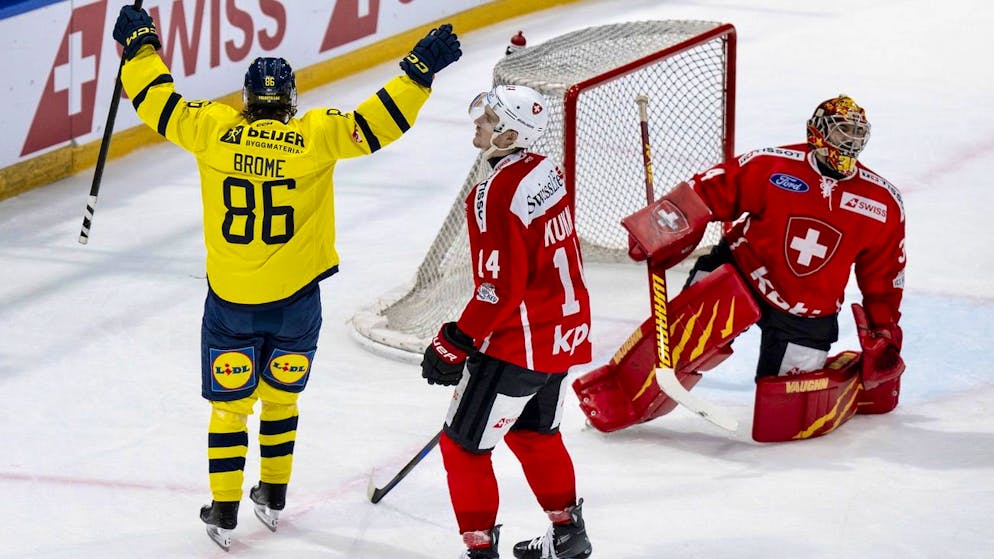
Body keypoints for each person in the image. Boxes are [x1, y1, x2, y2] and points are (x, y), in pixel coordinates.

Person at [111, 5, 461, 550]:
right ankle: (272, 494)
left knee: (230, 408)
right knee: (281, 401)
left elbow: (155, 100)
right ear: (290, 100)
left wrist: (139, 47)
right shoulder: (315, 137)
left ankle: (224, 506)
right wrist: (417, 73)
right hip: (297, 304)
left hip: (231, 302)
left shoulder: (211, 131)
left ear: (247, 100)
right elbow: (377, 123)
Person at [420, 85, 594, 559]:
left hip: (519, 343)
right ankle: (567, 533)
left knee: (462, 450)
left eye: (490, 119)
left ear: (512, 133)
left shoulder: (493, 194)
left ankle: (479, 551)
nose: (478, 123)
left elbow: (498, 289)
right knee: (534, 434)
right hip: (562, 331)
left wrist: (454, 341)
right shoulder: (546, 171)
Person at [677, 94, 906, 427]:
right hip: (739, 275)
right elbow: (709, 191)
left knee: (785, 421)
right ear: (817, 132)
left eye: (857, 134)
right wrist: (670, 219)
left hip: (807, 311)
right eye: (842, 132)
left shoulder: (883, 203)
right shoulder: (770, 165)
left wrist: (884, 330)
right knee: (676, 345)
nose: (850, 142)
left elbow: (886, 276)